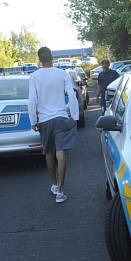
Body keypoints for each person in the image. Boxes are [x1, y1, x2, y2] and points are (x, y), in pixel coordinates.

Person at [28, 47, 79, 203]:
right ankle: (61, 192)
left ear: (39, 59)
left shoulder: (34, 76)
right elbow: (71, 95)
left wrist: (33, 121)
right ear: (52, 57)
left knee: (49, 153)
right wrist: (75, 116)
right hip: (61, 118)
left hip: (44, 120)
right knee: (61, 151)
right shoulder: (62, 73)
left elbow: (32, 100)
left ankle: (54, 185)